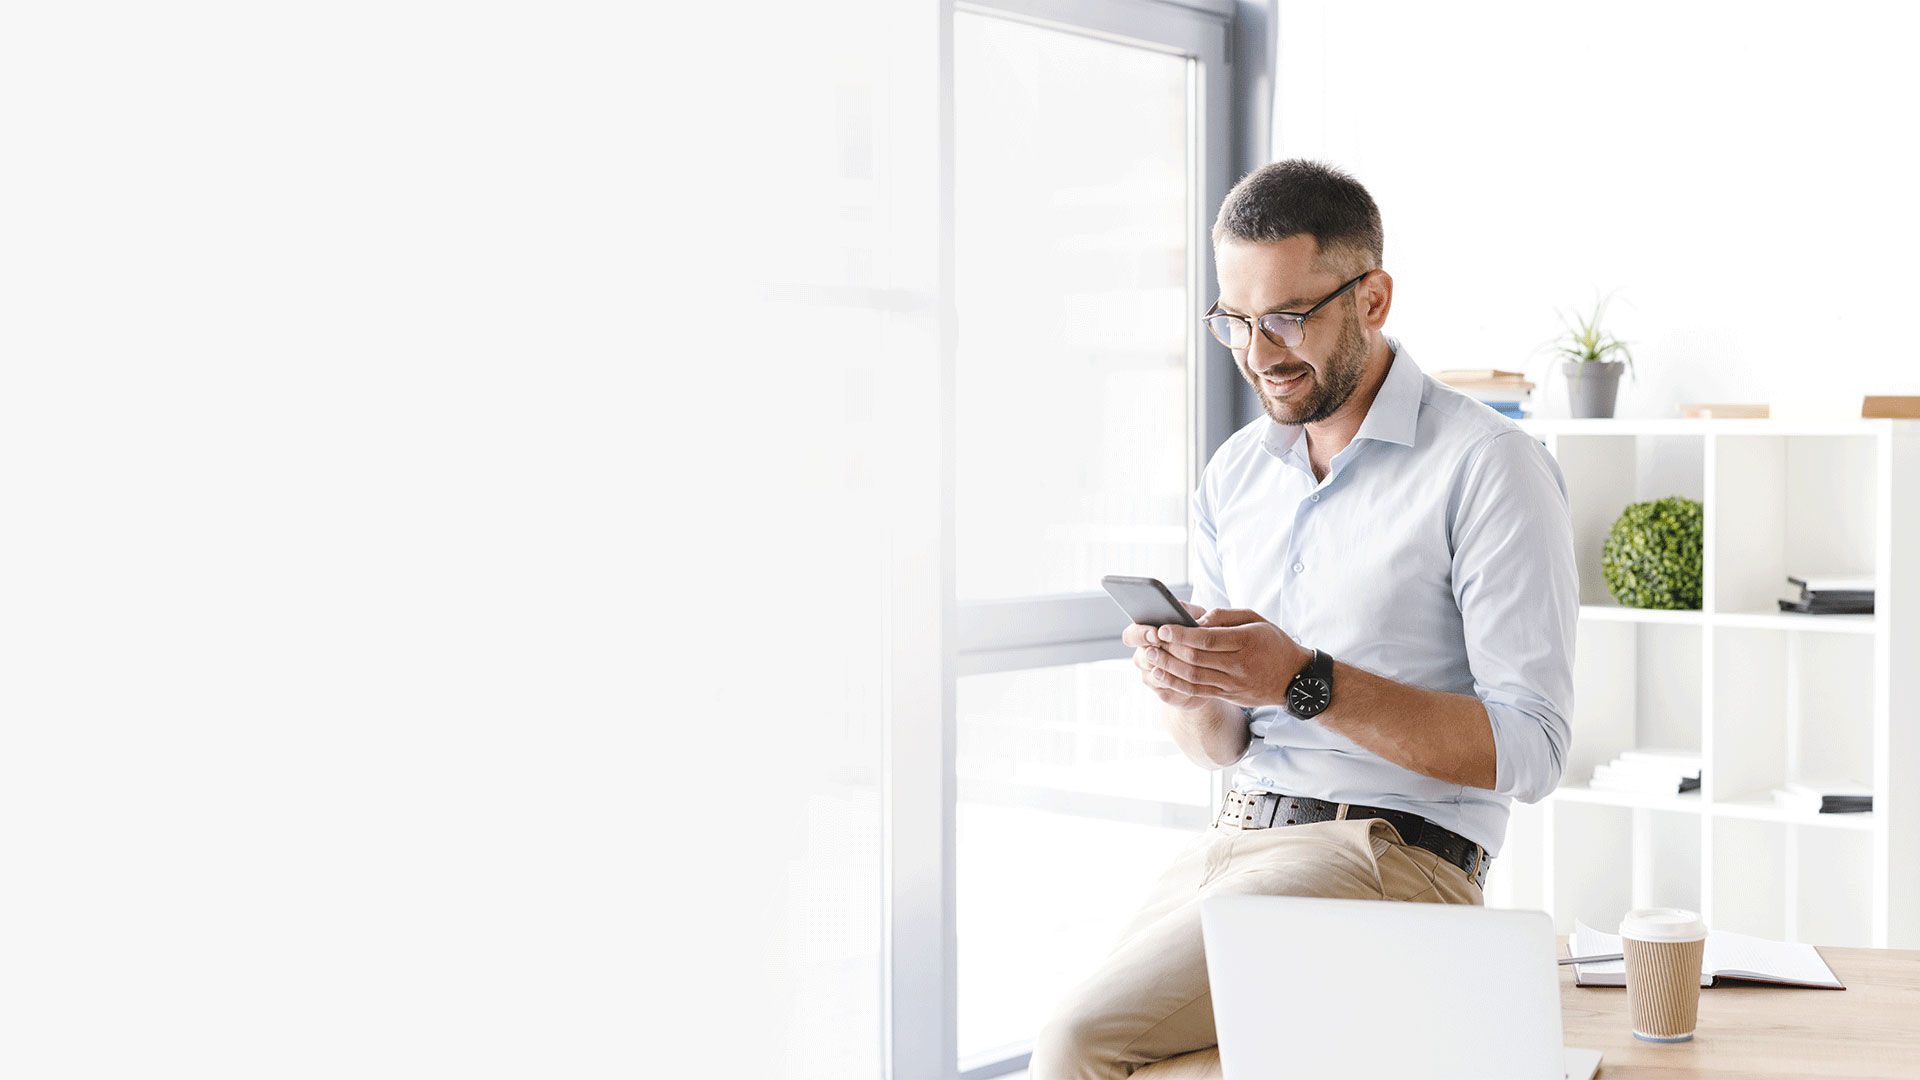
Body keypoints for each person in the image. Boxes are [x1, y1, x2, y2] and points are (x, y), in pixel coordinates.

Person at [1028, 160, 1579, 1079]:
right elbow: (1221, 746)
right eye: (1235, 321)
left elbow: (1534, 748)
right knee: (1103, 1039)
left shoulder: (1490, 466)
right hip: (1238, 839)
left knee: (1080, 1045)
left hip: (1393, 855)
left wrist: (1299, 678)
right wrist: (1191, 685)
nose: (1258, 351)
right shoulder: (1237, 473)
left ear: (1373, 298)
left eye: (1288, 316)